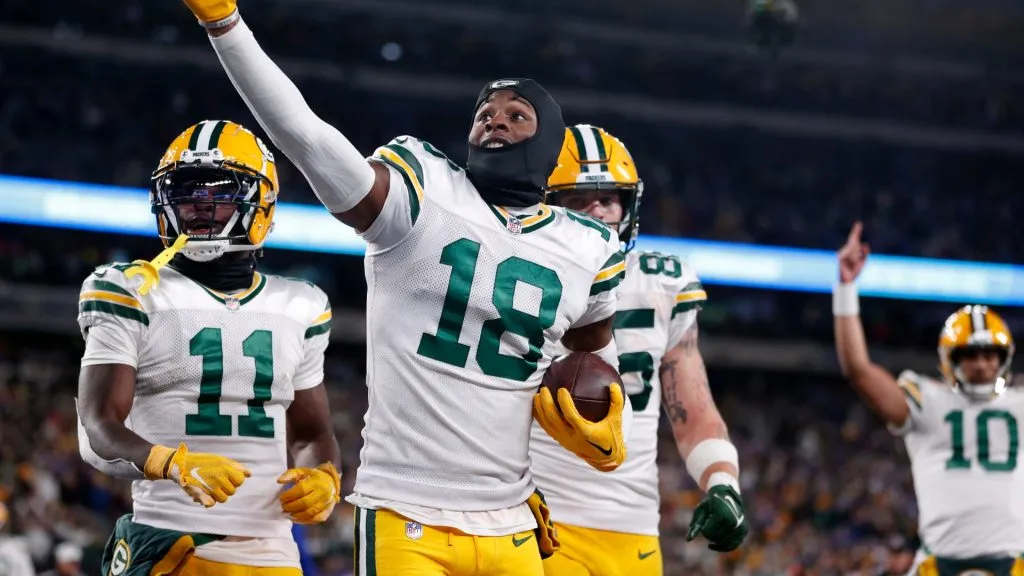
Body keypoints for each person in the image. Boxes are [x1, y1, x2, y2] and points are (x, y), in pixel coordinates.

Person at [177, 2, 631, 575]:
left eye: (517, 115)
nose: (494, 120)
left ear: (548, 141)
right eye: (485, 112)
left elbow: (590, 354)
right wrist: (226, 26)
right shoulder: (423, 190)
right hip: (406, 510)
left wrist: (608, 419)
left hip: (512, 519)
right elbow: (307, 136)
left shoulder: (586, 245)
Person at [76, 120, 342, 575]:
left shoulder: (301, 305)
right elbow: (97, 428)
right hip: (169, 540)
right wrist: (171, 464)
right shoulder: (132, 289)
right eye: (185, 192)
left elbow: (311, 434)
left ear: (259, 203)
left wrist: (325, 478)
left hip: (273, 553)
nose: (198, 207)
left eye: (218, 193)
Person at [531, 125, 748, 575]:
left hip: (631, 529)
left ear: (628, 207)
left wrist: (723, 483)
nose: (598, 212)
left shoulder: (663, 282)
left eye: (609, 199)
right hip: (536, 518)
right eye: (578, 199)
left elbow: (693, 411)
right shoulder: (519, 275)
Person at [834, 222, 1024, 575]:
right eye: (970, 355)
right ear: (951, 360)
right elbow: (858, 370)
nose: (982, 365)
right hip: (938, 563)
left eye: (989, 355)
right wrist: (845, 289)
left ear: (1004, 359)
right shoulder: (927, 400)